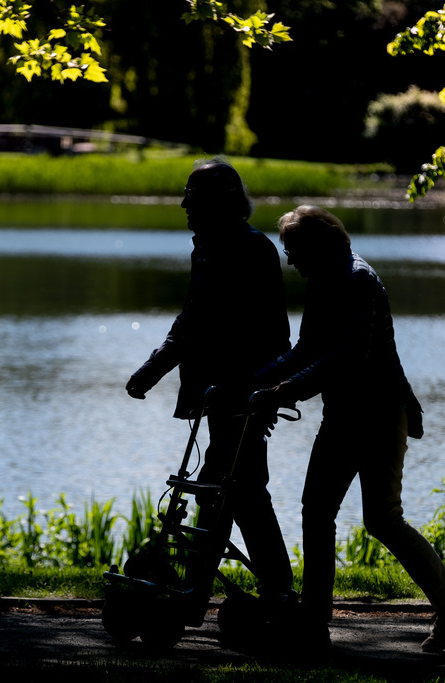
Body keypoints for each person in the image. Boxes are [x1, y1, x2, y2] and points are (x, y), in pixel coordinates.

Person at [253, 205, 445, 653]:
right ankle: (315, 622)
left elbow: (347, 354)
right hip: (345, 414)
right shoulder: (324, 281)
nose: (290, 260)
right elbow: (306, 350)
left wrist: (285, 390)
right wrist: (256, 380)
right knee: (320, 511)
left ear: (317, 245)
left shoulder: (356, 280)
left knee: (378, 518)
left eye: (293, 250)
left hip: (376, 413)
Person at [125, 157, 294, 613]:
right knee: (225, 490)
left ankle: (269, 593)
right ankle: (202, 592)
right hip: (215, 394)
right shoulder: (207, 249)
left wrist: (260, 396)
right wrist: (153, 368)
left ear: (219, 201)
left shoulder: (253, 249)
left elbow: (275, 334)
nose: (183, 203)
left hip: (244, 396)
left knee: (237, 490)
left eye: (191, 195)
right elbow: (192, 320)